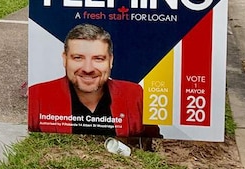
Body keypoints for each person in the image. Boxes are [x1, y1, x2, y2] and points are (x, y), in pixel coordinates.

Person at [28, 24, 157, 137]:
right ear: (65, 59)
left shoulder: (134, 94)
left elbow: (154, 145)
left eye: (98, 58)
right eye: (78, 58)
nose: (88, 69)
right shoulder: (37, 96)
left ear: (110, 61)